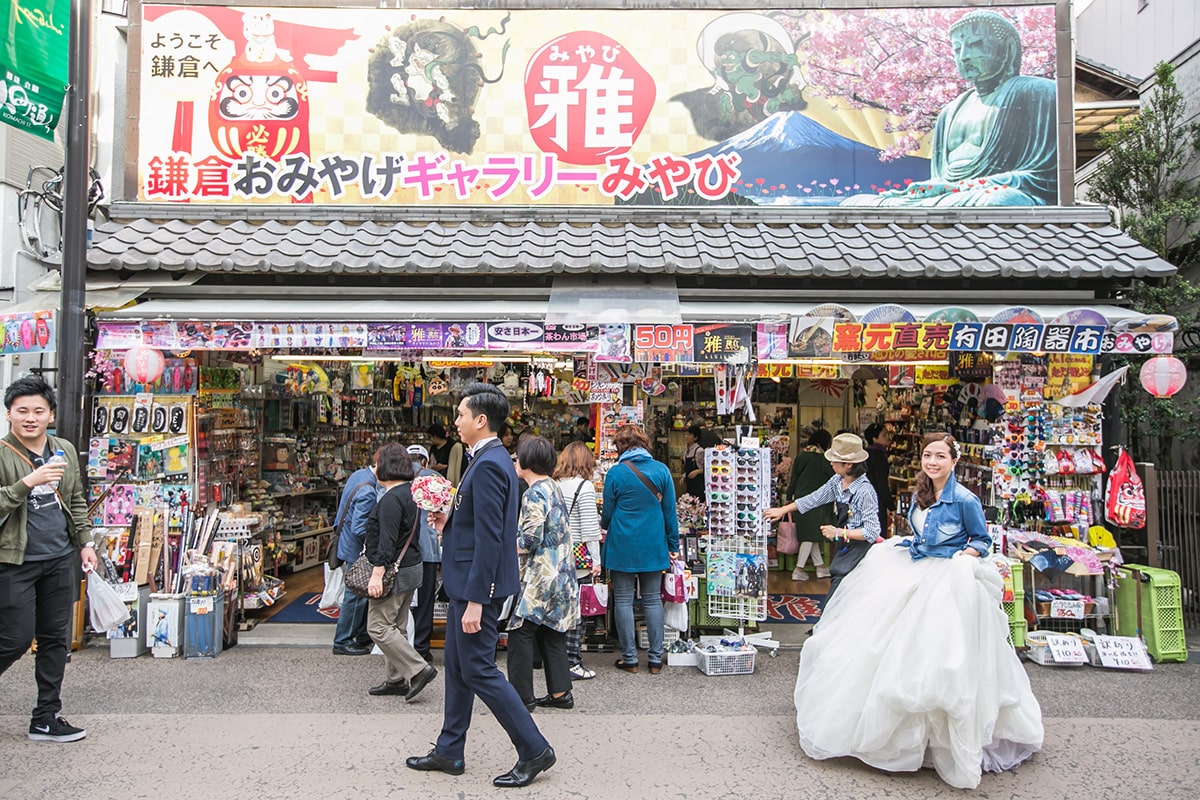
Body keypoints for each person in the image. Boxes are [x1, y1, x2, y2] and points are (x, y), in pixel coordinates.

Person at [791, 434, 1043, 789]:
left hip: (948, 578)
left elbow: (981, 541)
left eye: (940, 456)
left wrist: (960, 561)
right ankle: (912, 740)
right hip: (916, 566)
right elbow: (920, 534)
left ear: (954, 461)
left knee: (942, 658)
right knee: (890, 648)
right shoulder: (919, 494)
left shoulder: (966, 500)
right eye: (928, 455)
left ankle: (943, 740)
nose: (932, 462)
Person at [407, 383, 555, 788]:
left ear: (480, 420)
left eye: (460, 414)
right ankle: (450, 749)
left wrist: (476, 600)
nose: (455, 422)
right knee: (457, 667)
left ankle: (534, 748)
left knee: (479, 669)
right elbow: (479, 523)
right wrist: (448, 520)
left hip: (477, 587)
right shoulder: (486, 459)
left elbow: (493, 537)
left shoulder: (489, 463)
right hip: (464, 583)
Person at [843, 10, 1056, 207]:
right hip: (950, 198)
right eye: (957, 49)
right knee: (855, 203)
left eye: (976, 44)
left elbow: (1047, 178)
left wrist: (961, 187)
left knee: (1001, 201)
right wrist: (924, 191)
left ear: (1007, 47)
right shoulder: (951, 111)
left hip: (988, 196)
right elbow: (940, 179)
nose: (964, 56)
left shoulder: (1039, 93)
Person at [0, 376, 98, 742]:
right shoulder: (2, 452)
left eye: (38, 411)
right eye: (22, 411)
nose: (30, 418)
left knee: (55, 639)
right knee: (14, 639)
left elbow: (75, 499)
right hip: (14, 561)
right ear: (9, 414)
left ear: (50, 415)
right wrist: (27, 482)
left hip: (59, 556)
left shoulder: (64, 450)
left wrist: (85, 541)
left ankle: (46, 716)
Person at [600, 425, 680, 675]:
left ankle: (630, 658)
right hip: (653, 543)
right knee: (653, 599)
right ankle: (656, 659)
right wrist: (673, 546)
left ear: (620, 447)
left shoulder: (616, 473)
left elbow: (607, 515)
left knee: (623, 600)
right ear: (644, 444)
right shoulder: (661, 470)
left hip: (622, 544)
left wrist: (605, 525)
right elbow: (670, 514)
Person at [508, 435, 579, 712]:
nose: (515, 460)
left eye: (518, 456)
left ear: (527, 461)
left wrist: (505, 548)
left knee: (521, 632)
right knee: (552, 631)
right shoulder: (553, 486)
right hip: (562, 570)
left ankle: (520, 697)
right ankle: (561, 693)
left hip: (541, 574)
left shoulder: (534, 493)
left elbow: (530, 538)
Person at [363, 443, 439, 700]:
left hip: (392, 570)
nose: (374, 469)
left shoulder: (391, 500)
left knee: (378, 626)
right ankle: (395, 679)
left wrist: (377, 573)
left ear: (386, 467)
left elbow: (387, 541)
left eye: (377, 463)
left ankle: (417, 669)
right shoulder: (410, 493)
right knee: (397, 625)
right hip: (411, 567)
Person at [767, 433, 880, 604]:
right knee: (839, 595)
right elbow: (815, 498)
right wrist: (783, 510)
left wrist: (839, 532)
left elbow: (872, 531)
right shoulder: (837, 481)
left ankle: (825, 627)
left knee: (842, 597)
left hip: (859, 552)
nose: (831, 463)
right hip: (844, 548)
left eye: (835, 460)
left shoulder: (865, 491)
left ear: (848, 464)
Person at [552, 441, 602, 681]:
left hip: (554, 555)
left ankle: (556, 660)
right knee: (578, 612)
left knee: (558, 610)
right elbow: (591, 529)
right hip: (578, 558)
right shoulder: (585, 487)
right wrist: (597, 560)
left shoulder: (553, 485)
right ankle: (572, 661)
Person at [331, 449, 382, 656]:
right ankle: (343, 640)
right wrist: (377, 542)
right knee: (356, 594)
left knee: (358, 593)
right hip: (355, 549)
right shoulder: (369, 490)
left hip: (345, 542)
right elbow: (360, 527)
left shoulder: (358, 475)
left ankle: (361, 634)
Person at [406, 444, 441, 664]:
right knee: (426, 600)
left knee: (401, 601)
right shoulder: (435, 478)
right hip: (428, 550)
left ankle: (401, 646)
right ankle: (421, 646)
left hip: (403, 550)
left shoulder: (396, 477)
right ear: (426, 461)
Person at [785, 429, 835, 582]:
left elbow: (794, 478)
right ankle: (799, 569)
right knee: (810, 536)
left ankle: (820, 567)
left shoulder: (801, 456)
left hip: (800, 499)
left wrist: (788, 497)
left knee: (810, 534)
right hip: (818, 501)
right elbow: (833, 479)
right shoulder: (824, 459)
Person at [863, 422, 893, 538]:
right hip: (877, 502)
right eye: (884, 435)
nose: (887, 438)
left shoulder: (865, 455)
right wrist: (891, 506)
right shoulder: (879, 457)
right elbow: (882, 484)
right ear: (875, 438)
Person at [681, 425, 706, 500]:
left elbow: (706, 469)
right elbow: (687, 469)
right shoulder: (686, 452)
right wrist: (684, 477)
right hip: (689, 486)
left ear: (695, 438)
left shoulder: (699, 451)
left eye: (689, 435)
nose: (686, 436)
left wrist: (697, 471)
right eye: (686, 434)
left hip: (699, 487)